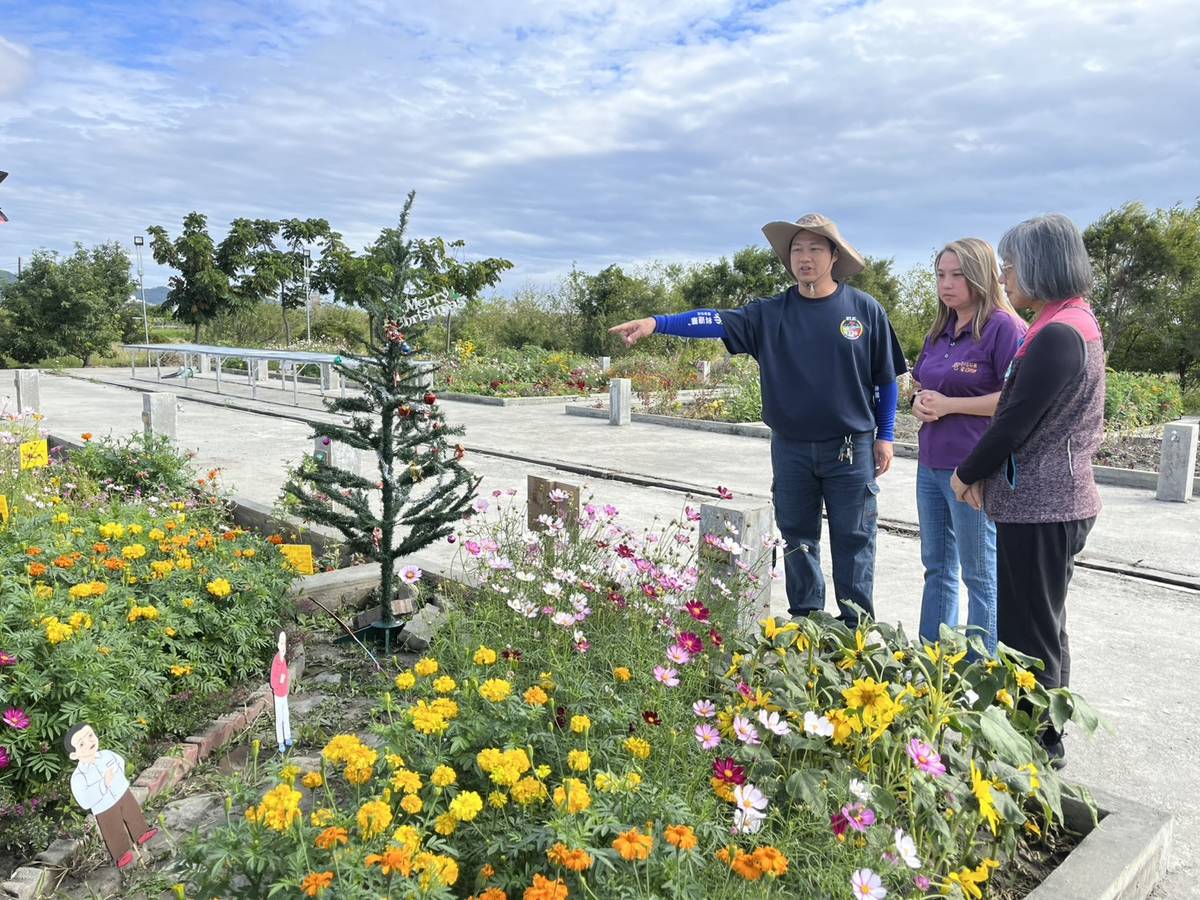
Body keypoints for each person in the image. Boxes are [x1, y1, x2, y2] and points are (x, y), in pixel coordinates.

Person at [610, 213, 906, 626]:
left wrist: (886, 435)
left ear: (834, 256)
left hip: (849, 448)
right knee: (797, 538)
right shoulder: (770, 314)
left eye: (815, 248)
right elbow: (713, 320)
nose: (804, 257)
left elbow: (885, 378)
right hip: (791, 447)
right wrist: (656, 323)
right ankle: (806, 623)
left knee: (854, 540)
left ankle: (856, 630)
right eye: (796, 249)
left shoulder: (864, 311)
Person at [951, 213, 1104, 765]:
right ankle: (1043, 727)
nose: (1006, 276)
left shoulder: (1058, 335)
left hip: (1045, 504)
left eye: (1010, 266)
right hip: (1053, 500)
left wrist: (966, 472)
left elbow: (1015, 421)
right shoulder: (1068, 322)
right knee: (1045, 622)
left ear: (1040, 267)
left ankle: (1037, 743)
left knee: (1028, 632)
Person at [910, 239, 1026, 654]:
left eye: (957, 274)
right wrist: (918, 401)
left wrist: (950, 404)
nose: (947, 283)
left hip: (973, 468)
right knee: (937, 567)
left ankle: (981, 666)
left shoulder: (1004, 328)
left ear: (981, 274)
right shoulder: (940, 330)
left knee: (980, 574)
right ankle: (932, 662)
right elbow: (923, 382)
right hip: (931, 463)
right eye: (941, 274)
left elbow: (1017, 397)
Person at [65, 722, 157, 868]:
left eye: (90, 735)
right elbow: (84, 800)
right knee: (112, 829)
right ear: (74, 755)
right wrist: (103, 784)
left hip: (121, 793)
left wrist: (117, 778)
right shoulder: (78, 776)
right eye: (82, 743)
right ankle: (121, 854)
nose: (89, 742)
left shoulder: (107, 755)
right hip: (104, 806)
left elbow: (120, 762)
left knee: (132, 813)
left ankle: (141, 832)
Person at [271, 630, 293, 754]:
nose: (283, 647)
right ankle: (280, 741)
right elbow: (273, 680)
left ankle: (287, 737)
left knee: (286, 715)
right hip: (278, 693)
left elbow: (285, 673)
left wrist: (284, 681)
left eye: (284, 644)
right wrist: (279, 681)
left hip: (283, 692)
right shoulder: (276, 661)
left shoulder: (283, 660)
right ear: (278, 645)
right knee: (279, 717)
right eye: (281, 644)